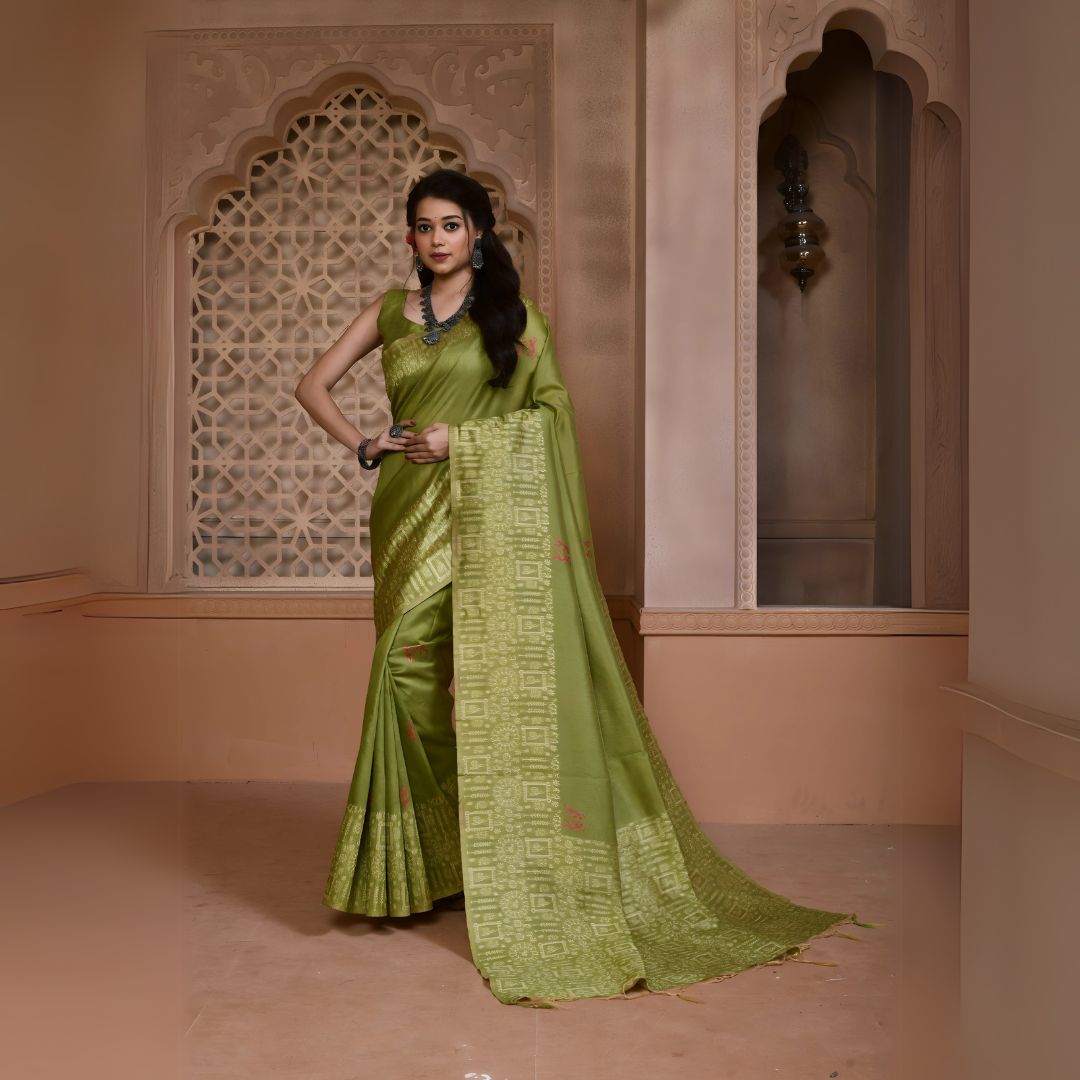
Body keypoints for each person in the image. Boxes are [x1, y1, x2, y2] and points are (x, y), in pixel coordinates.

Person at [294, 167, 872, 1007]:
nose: (435, 239)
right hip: (405, 512)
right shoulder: (389, 311)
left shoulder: (516, 321)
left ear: (480, 233)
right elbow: (313, 384)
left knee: (488, 683)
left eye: (451, 224)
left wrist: (466, 440)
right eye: (423, 226)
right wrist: (364, 443)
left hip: (486, 514)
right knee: (403, 677)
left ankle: (489, 852)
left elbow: (553, 416)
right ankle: (432, 861)